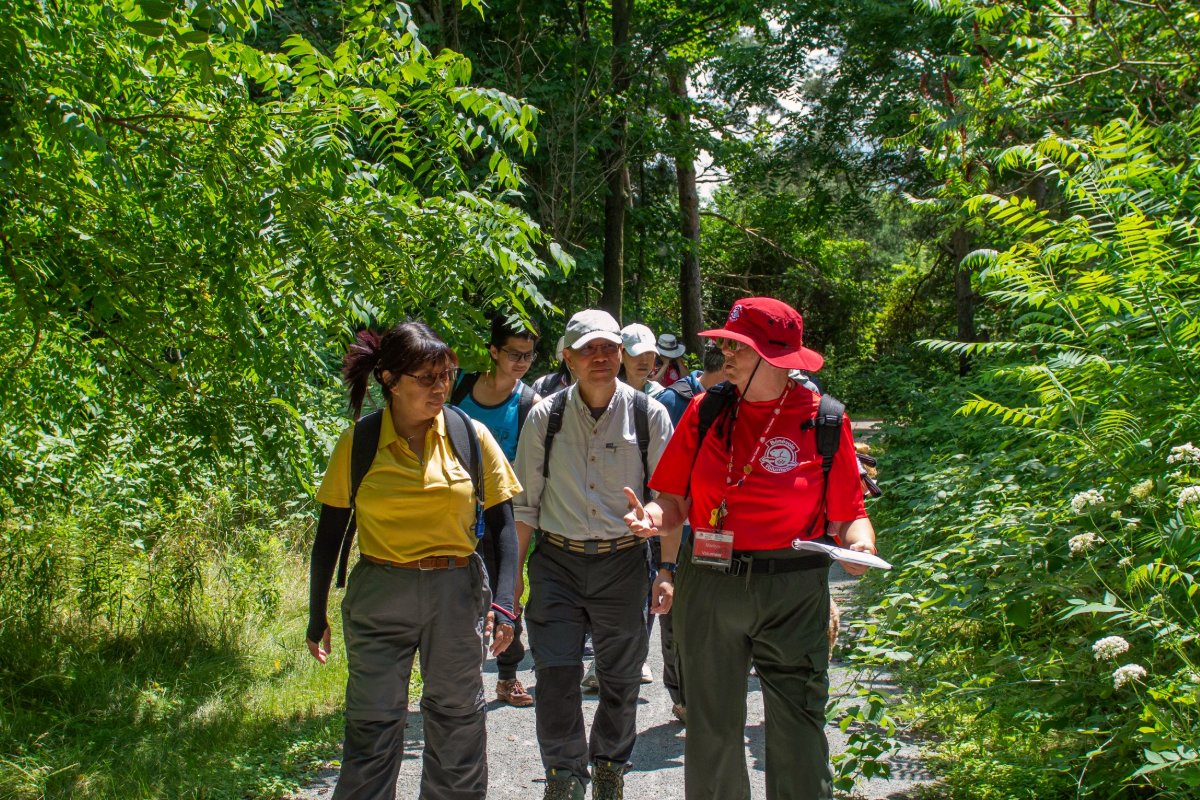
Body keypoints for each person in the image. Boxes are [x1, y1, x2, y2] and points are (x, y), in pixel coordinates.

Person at [623, 297, 879, 800]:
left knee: (798, 733)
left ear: (775, 356)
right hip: (712, 582)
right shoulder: (706, 409)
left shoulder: (824, 419)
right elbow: (672, 499)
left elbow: (850, 514)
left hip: (793, 588)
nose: (724, 354)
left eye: (737, 346)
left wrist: (859, 545)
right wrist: (652, 518)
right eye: (725, 343)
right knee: (712, 731)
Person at [306, 322, 522, 800]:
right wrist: (315, 614)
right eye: (427, 377)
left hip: (455, 593)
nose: (441, 387)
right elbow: (329, 536)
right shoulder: (359, 444)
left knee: (459, 723)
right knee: (372, 723)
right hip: (380, 593)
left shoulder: (470, 435)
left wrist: (505, 602)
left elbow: (505, 528)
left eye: (445, 375)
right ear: (390, 380)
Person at [512, 309, 674, 800]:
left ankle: (608, 767)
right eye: (587, 349)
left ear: (621, 354)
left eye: (608, 347)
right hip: (556, 563)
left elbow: (670, 498)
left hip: (624, 563)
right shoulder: (546, 415)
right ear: (568, 358)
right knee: (556, 675)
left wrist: (662, 555)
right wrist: (510, 582)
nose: (599, 357)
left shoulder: (649, 414)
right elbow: (525, 506)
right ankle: (564, 775)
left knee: (621, 678)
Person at [451, 314, 540, 707]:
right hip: (452, 506)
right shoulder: (460, 385)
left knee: (508, 587)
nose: (521, 361)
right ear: (493, 351)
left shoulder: (528, 403)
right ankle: (455, 678)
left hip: (504, 509)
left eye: (528, 355)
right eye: (513, 353)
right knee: (455, 592)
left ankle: (507, 677)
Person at [645, 342, 726, 723]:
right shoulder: (676, 402)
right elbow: (664, 475)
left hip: (717, 534)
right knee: (674, 613)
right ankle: (681, 694)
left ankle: (707, 692)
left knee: (713, 616)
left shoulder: (742, 405)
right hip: (676, 524)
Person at [619, 323, 665, 397]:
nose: (644, 361)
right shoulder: (609, 394)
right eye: (636, 354)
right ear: (621, 356)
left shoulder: (662, 395)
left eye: (649, 353)